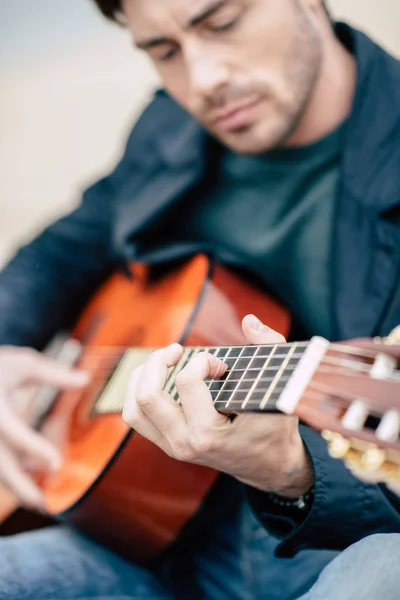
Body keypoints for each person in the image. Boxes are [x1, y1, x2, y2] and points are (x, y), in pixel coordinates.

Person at [0, 0, 400, 598]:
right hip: (136, 531)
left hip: (326, 554)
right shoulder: (172, 126)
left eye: (222, 23)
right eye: (163, 52)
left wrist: (291, 470)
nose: (203, 80)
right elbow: (63, 248)